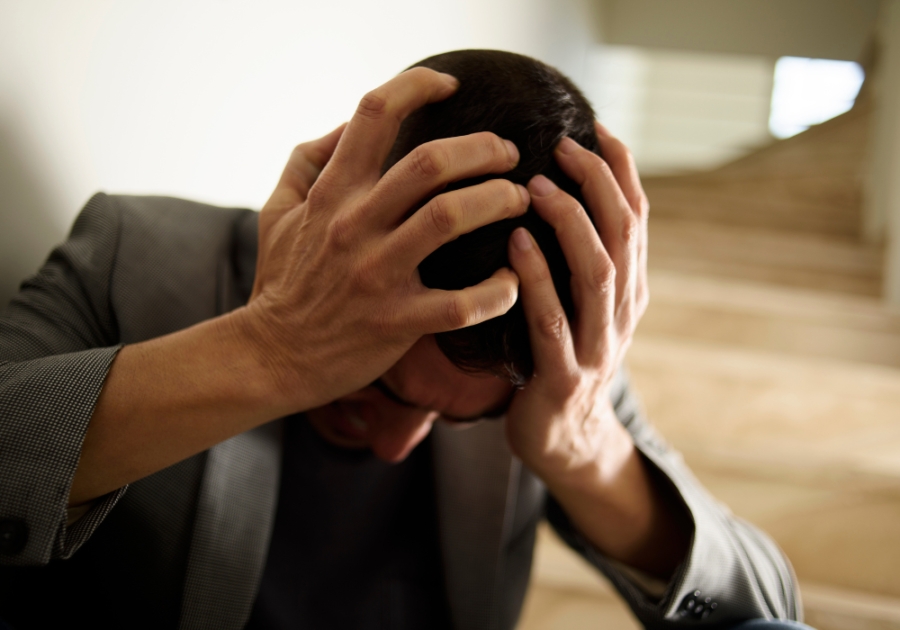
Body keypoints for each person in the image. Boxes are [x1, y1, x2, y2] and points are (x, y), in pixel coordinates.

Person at [0, 50, 803, 629]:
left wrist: (585, 445)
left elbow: (769, 613)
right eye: (372, 381)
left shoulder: (553, 359)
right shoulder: (131, 253)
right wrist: (274, 350)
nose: (396, 447)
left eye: (460, 417)